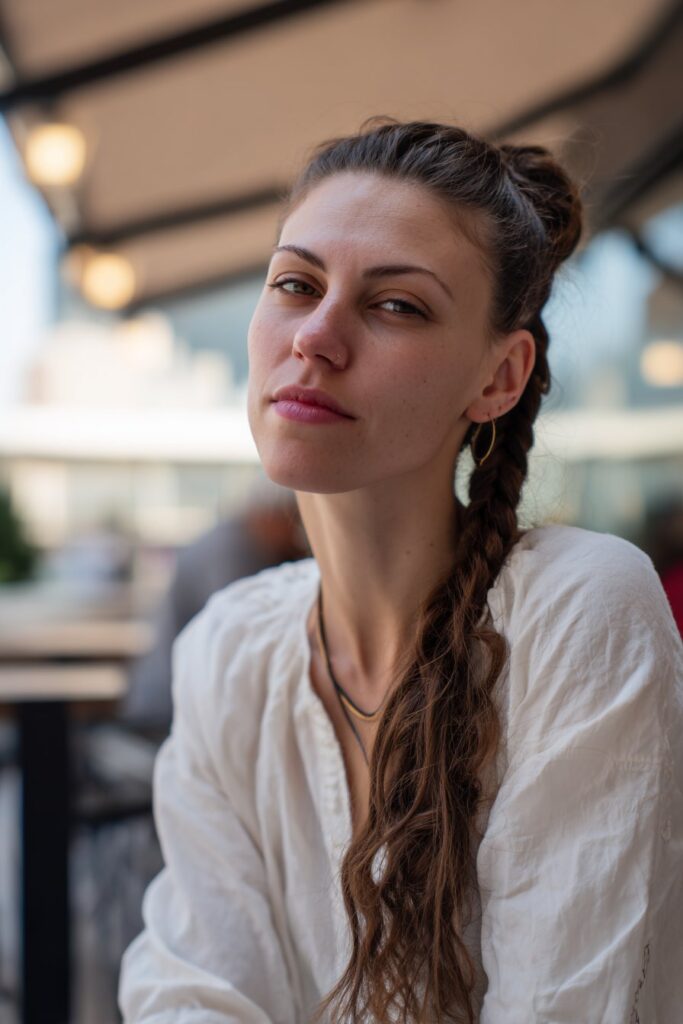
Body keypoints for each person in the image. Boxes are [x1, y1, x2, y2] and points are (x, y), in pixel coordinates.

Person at [118, 120, 683, 1023]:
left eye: (396, 306)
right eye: (295, 285)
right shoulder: (227, 651)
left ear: (499, 377)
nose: (316, 337)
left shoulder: (576, 613)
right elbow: (192, 992)